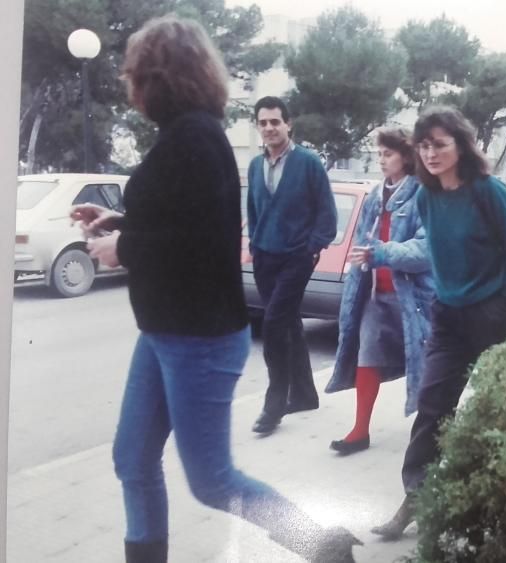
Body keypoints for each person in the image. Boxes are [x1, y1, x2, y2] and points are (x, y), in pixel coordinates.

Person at [68, 16, 358, 562]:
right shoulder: (187, 136)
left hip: (197, 337)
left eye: (136, 76)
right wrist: (117, 221)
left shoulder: (195, 137)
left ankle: (322, 545)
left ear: (158, 76)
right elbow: (179, 220)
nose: (131, 89)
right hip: (164, 330)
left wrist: (123, 250)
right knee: (132, 460)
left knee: (212, 481)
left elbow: (196, 243)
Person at [371, 106, 506, 540]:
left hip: (494, 313)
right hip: (448, 315)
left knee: (502, 410)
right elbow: (434, 254)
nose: (430, 153)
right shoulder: (426, 197)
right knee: (432, 405)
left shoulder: (488, 192)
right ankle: (417, 499)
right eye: (423, 146)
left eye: (439, 144)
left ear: (461, 145)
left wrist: (499, 306)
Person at [324, 127, 434, 455]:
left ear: (405, 155)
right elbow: (362, 241)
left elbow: (425, 250)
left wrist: (381, 253)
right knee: (366, 356)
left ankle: (430, 432)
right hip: (375, 292)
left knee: (425, 363)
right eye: (379, 154)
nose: (381, 160)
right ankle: (360, 430)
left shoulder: (422, 196)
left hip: (413, 298)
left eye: (388, 153)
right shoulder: (374, 195)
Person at [246, 96, 338, 435]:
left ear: (288, 124)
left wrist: (311, 249)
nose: (269, 128)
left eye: (275, 122)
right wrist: (255, 243)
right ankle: (304, 394)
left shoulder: (308, 163)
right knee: (288, 324)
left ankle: (274, 404)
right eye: (263, 123)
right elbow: (254, 210)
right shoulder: (256, 166)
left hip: (296, 258)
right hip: (265, 258)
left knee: (272, 325)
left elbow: (326, 215)